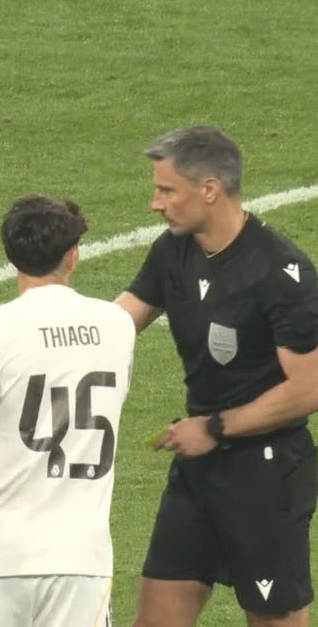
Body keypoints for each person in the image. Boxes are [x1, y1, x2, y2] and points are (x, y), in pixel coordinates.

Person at [116, 126, 318, 627]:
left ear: (209, 189)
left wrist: (214, 428)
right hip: (198, 470)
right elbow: (119, 322)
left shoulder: (280, 272)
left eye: (166, 190)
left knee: (273, 620)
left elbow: (309, 387)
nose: (155, 204)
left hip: (267, 476)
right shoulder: (173, 250)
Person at [0, 195, 135, 626]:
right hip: (81, 557)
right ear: (73, 256)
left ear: (10, 258)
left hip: (2, 556)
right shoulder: (117, 325)